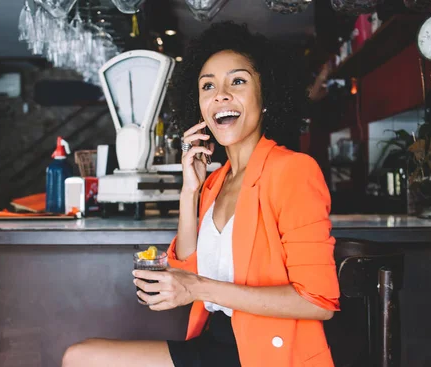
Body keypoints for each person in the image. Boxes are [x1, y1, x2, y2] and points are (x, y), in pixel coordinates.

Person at [62, 21, 339, 367]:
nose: (220, 94)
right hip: (216, 343)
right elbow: (185, 267)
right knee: (80, 356)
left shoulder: (293, 170)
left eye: (237, 81)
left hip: (266, 353)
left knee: (81, 359)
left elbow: (317, 302)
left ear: (266, 97)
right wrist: (189, 191)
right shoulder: (215, 181)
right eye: (208, 86)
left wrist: (196, 288)